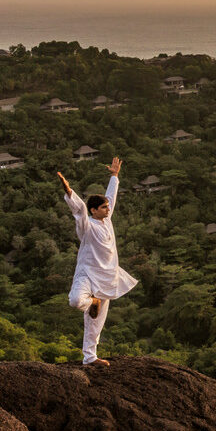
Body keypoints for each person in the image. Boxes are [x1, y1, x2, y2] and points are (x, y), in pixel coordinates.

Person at [57, 157, 137, 366]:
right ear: (94, 210)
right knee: (75, 301)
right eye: (103, 207)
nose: (107, 209)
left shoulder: (107, 219)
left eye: (107, 207)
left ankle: (90, 357)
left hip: (107, 276)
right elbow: (79, 210)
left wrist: (114, 175)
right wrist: (68, 191)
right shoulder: (87, 226)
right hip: (87, 274)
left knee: (96, 322)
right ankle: (93, 302)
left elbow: (111, 196)